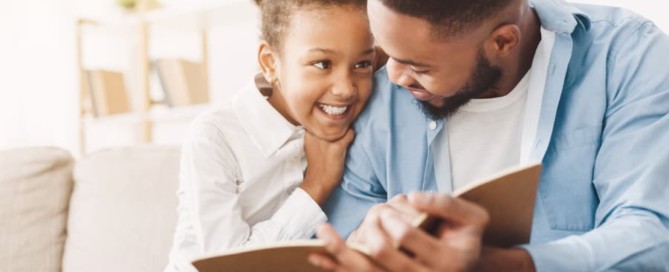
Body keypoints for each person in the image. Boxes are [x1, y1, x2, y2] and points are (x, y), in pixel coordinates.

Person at [314, 0, 669, 271]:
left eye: (419, 67)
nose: (392, 76)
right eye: (386, 53)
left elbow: (654, 235)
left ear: (502, 42)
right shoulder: (375, 97)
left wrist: (493, 264)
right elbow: (331, 243)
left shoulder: (625, 57)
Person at [164, 0, 377, 270]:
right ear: (270, 62)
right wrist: (316, 185)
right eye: (323, 64)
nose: (346, 89)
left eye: (361, 64)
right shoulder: (214, 137)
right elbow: (230, 266)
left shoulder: (336, 114)